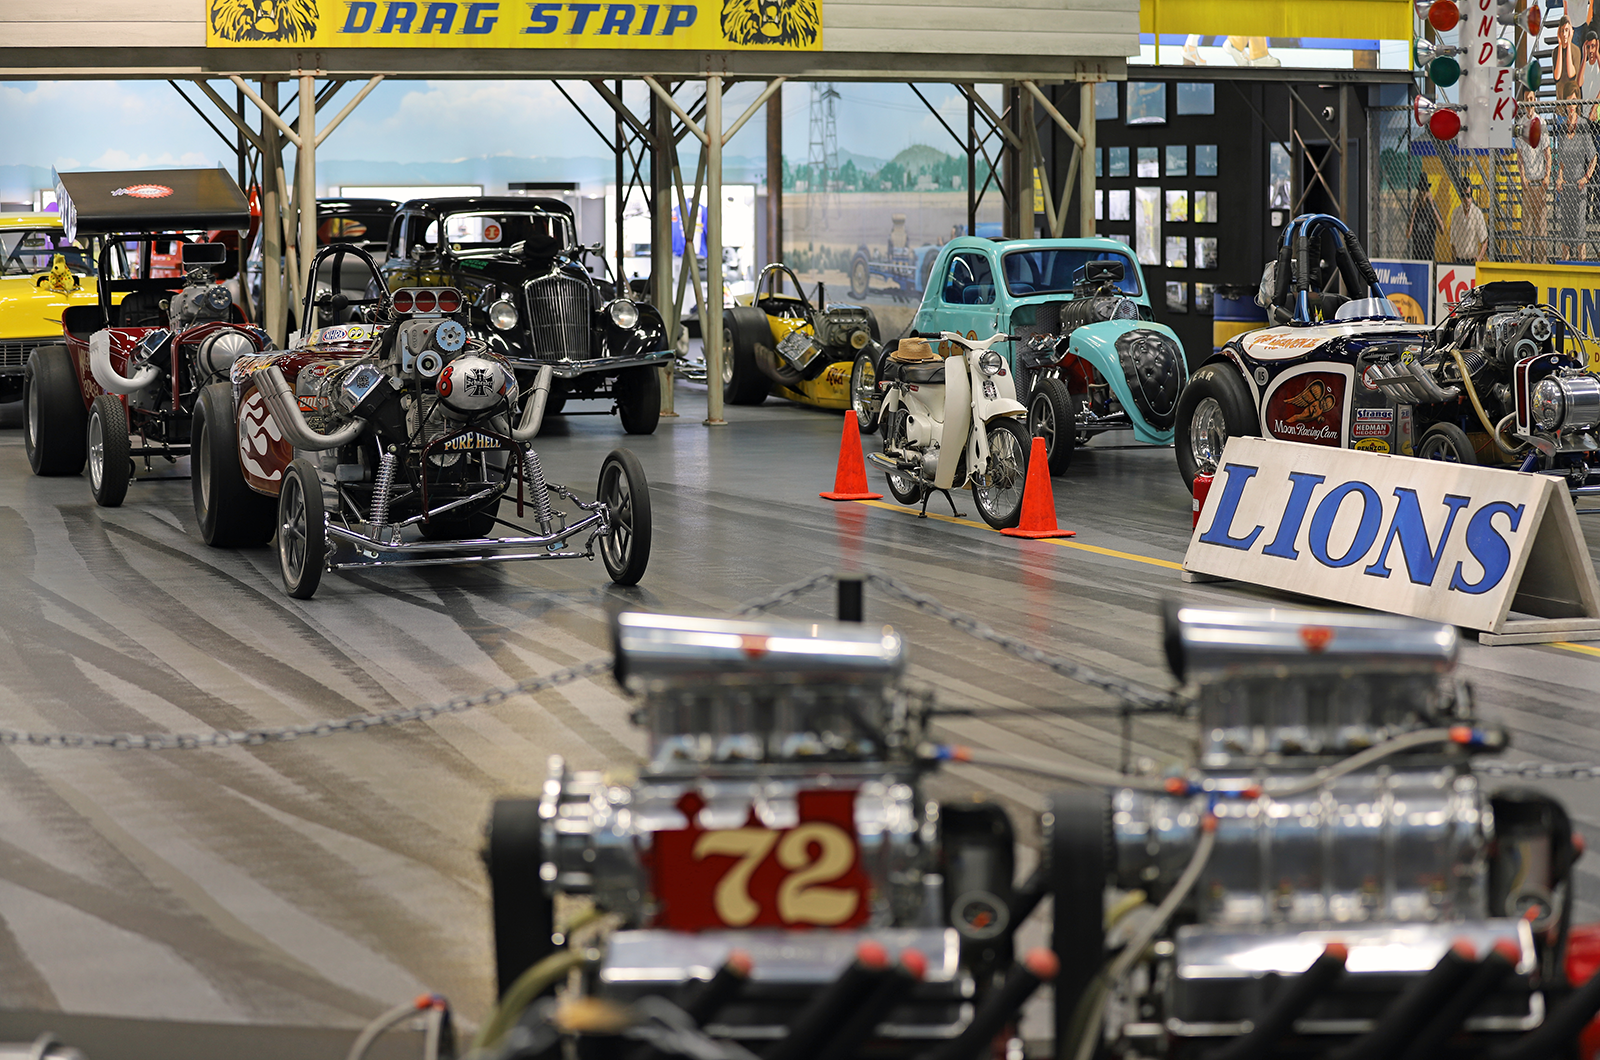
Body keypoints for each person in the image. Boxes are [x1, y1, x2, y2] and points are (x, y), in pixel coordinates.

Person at [1554, 102, 1597, 259]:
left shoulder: (1583, 124)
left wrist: (1586, 178)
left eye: (1573, 102)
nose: (1571, 106)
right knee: (1565, 230)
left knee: (1579, 231)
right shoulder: (1563, 127)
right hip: (1566, 187)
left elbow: (1594, 156)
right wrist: (1559, 176)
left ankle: (1582, 264)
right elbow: (1561, 160)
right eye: (1568, 103)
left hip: (1579, 186)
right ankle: (1565, 266)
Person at [1519, 89, 1552, 262]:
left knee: (1541, 229)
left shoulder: (1542, 122)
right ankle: (1525, 264)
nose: (1530, 102)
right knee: (1526, 229)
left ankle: (1542, 263)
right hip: (1528, 183)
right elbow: (1519, 155)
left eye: (1532, 99)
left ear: (1535, 100)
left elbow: (1548, 153)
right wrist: (1522, 176)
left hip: (1539, 183)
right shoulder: (1521, 124)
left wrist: (1547, 176)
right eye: (1527, 100)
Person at [1407, 174, 1443, 262]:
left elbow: (1442, 229)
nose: (1423, 193)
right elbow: (1408, 234)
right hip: (1417, 253)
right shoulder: (1416, 207)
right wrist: (1414, 210)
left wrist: (1432, 206)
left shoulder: (1432, 206)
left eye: (1425, 190)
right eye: (1421, 190)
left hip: (1429, 253)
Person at [1555, 18, 1584, 99]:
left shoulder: (1576, 50)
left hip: (1573, 98)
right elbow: (1557, 76)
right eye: (1562, 30)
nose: (1564, 34)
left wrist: (1569, 44)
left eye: (1567, 30)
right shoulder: (1556, 52)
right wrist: (1561, 45)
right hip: (1560, 98)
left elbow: (1571, 75)